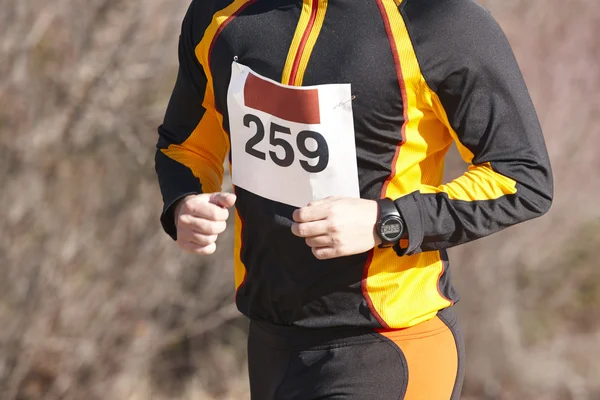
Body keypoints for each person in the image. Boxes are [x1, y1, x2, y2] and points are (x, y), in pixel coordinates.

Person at [155, 0, 553, 398]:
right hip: (270, 343)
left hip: (390, 343)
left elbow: (522, 176)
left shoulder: (440, 20)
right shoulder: (219, 13)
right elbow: (186, 146)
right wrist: (184, 201)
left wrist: (388, 220)